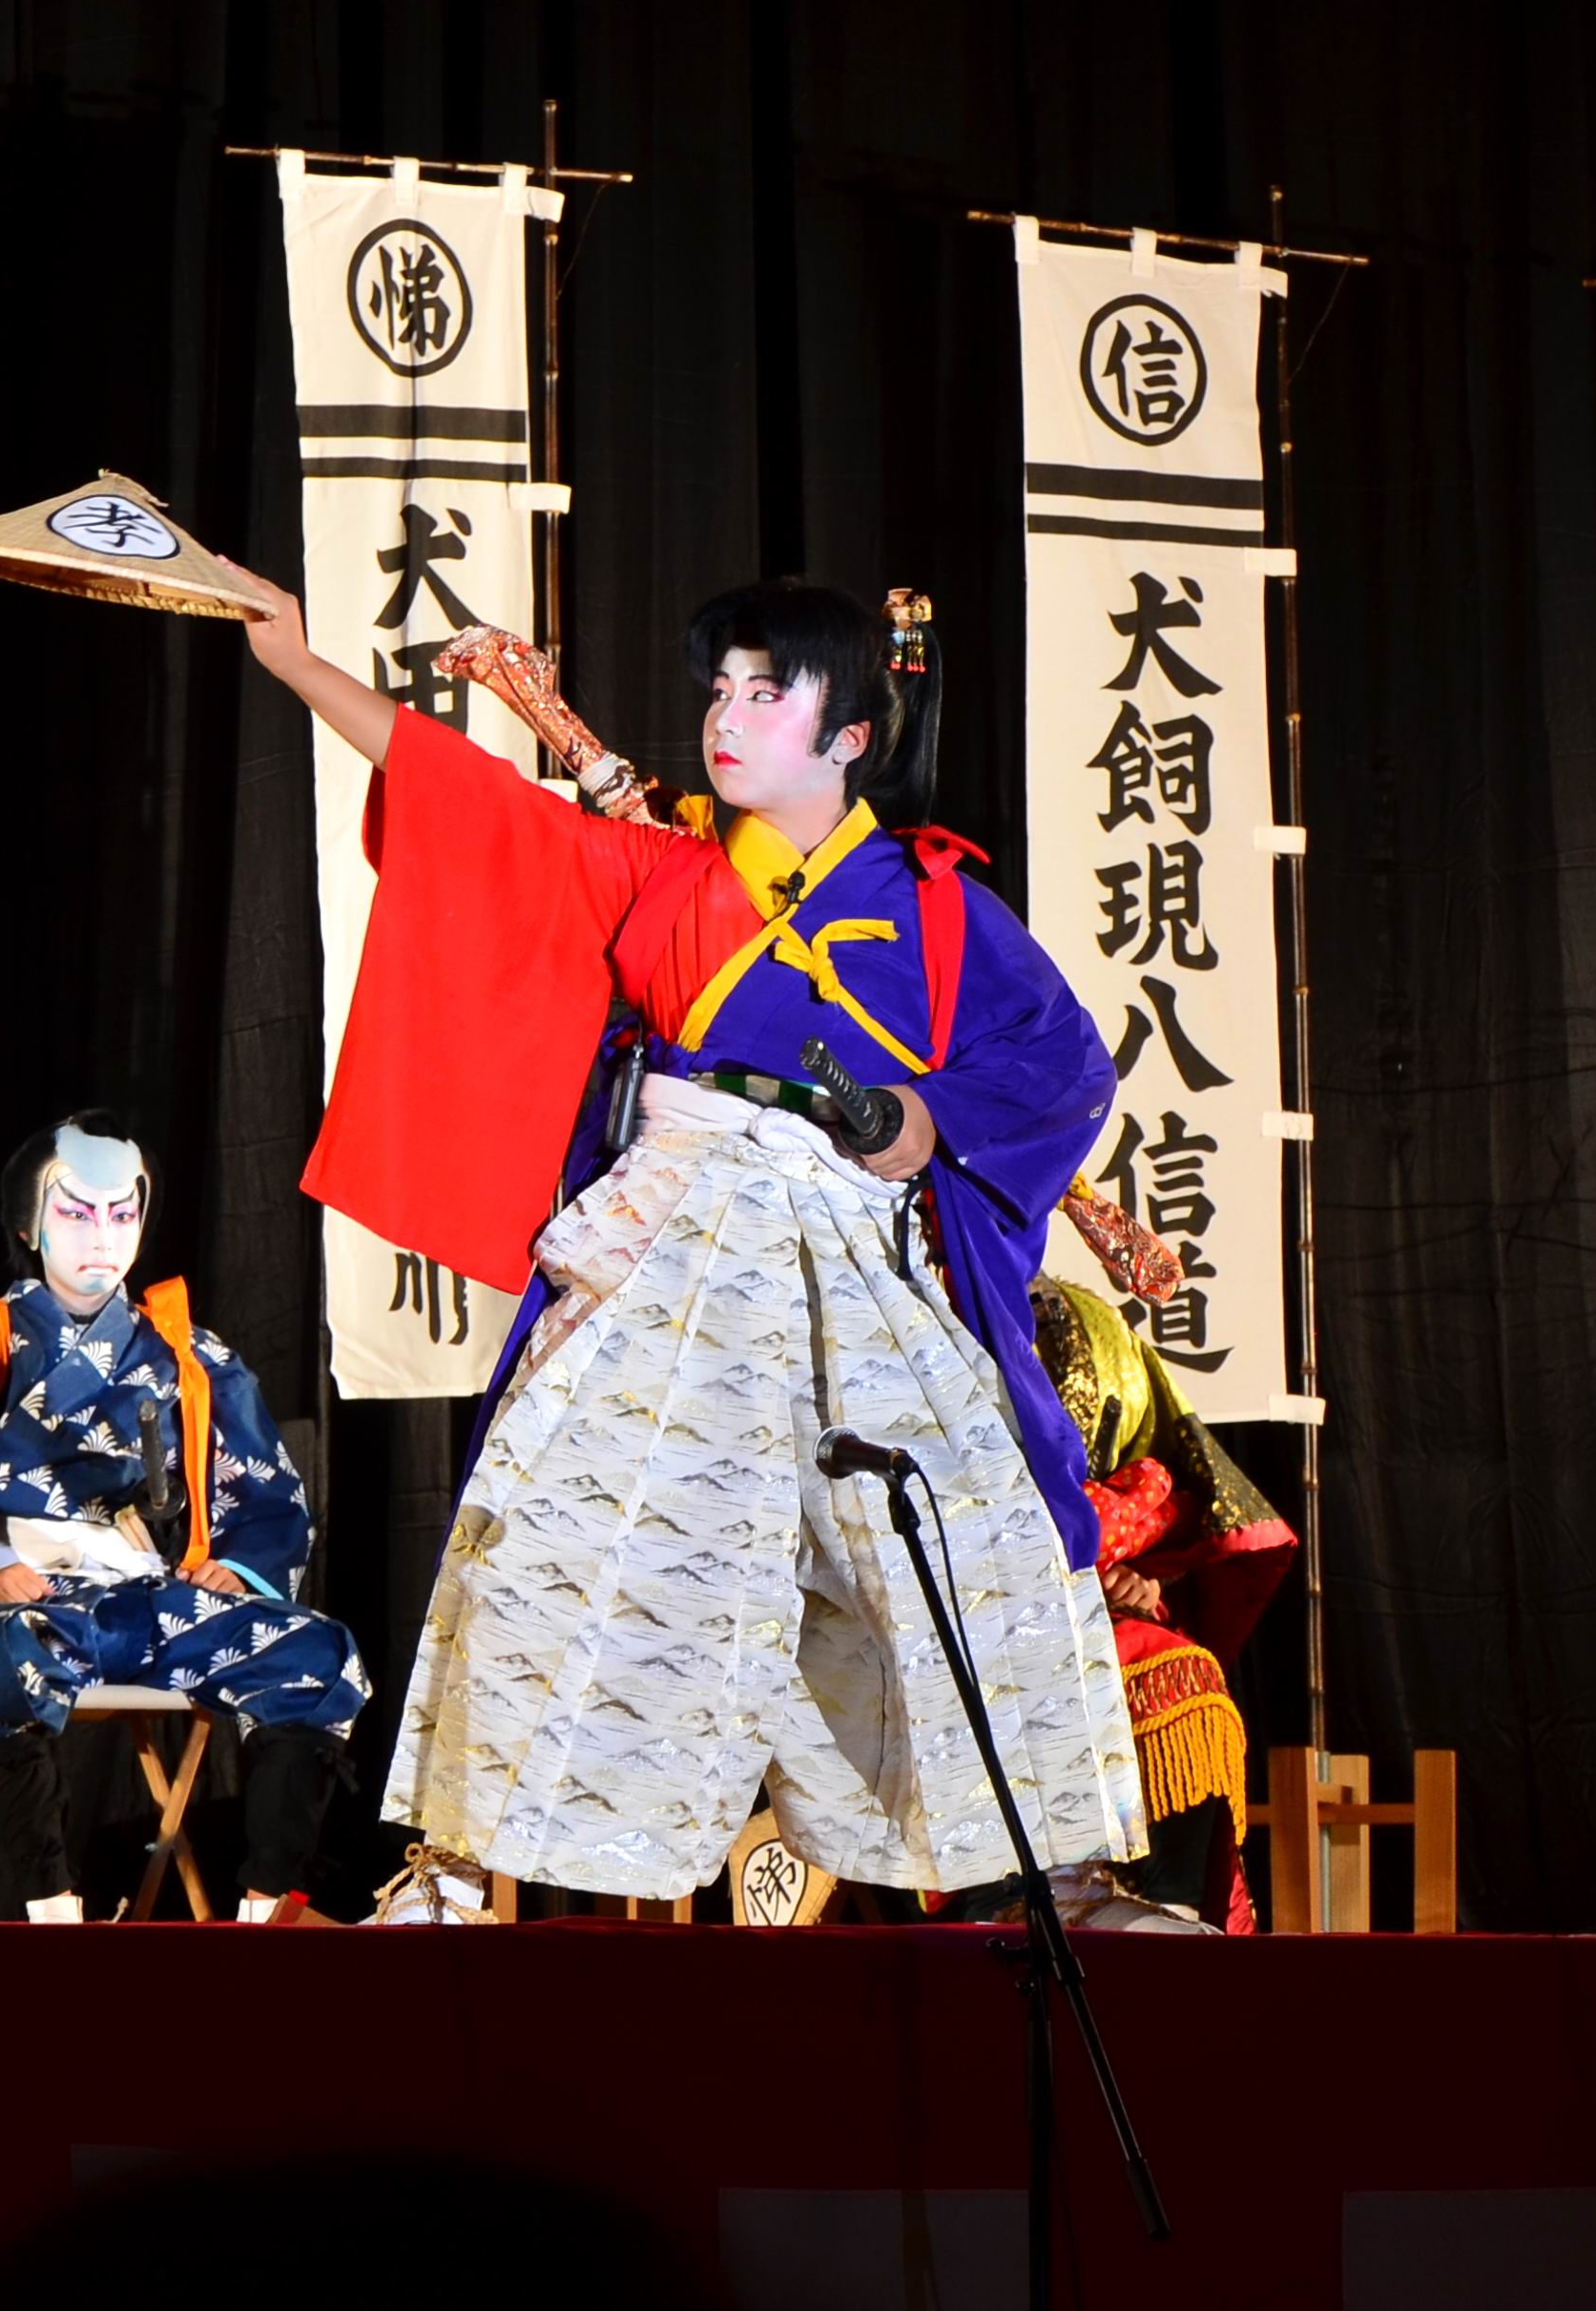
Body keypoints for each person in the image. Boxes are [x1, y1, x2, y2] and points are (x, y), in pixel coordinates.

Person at [235, 572, 1143, 1916]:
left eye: (767, 693)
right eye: (719, 689)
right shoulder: (661, 871)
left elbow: (1059, 1064)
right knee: (555, 1519)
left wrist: (928, 1118)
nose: (726, 716)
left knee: (970, 1528)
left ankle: (1053, 1872)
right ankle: (457, 1867)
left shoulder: (942, 908)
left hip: (851, 1251)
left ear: (849, 736)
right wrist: (298, 664)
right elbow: (471, 806)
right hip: (671, 1233)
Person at [0, 1110, 361, 1921]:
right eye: (76, 1213)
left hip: (144, 1594)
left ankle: (270, 1907)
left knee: (317, 1655)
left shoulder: (187, 1354)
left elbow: (262, 1483)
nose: (101, 1238)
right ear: (28, 1224)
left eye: (121, 1214)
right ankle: (44, 1908)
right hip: (31, 1598)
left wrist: (237, 1564)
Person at [1035, 1271, 1295, 1929]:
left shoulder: (1145, 1492)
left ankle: (1164, 1900)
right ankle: (1031, 1887)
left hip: (1098, 1614)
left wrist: (1139, 1583)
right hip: (974, 1606)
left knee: (1178, 1672)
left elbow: (1165, 1530)